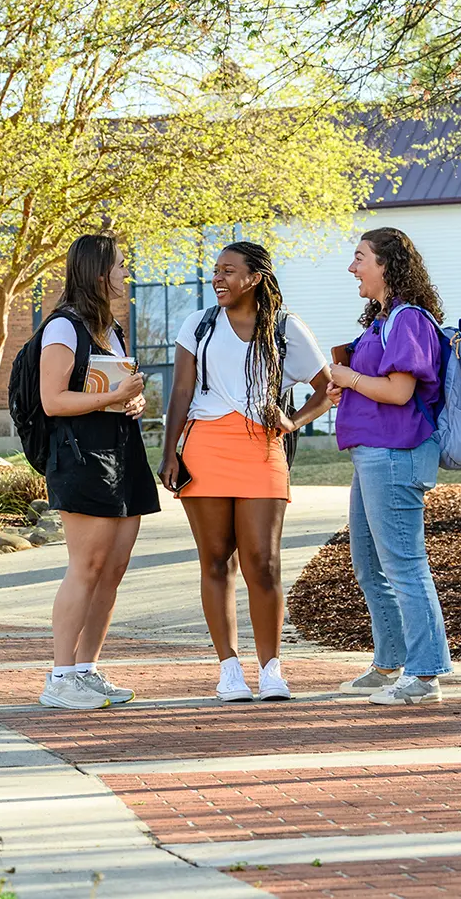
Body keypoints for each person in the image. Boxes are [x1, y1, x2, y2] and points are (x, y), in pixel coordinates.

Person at [159, 241, 332, 702]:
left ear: (254, 278)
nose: (218, 279)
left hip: (262, 447)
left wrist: (293, 421)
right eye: (215, 271)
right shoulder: (196, 325)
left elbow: (327, 389)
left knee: (264, 562)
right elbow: (180, 392)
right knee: (216, 561)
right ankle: (228, 670)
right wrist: (169, 451)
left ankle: (271, 669)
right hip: (205, 446)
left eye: (228, 271)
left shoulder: (285, 328)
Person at [327, 226, 452, 706]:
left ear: (386, 265)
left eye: (360, 258)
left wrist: (350, 377)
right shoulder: (382, 323)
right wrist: (347, 385)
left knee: (404, 565)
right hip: (373, 456)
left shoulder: (408, 319)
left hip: (396, 456)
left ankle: (423, 676)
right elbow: (378, 386)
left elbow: (399, 392)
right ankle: (389, 663)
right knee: (369, 564)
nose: (353, 267)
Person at [38, 234, 161, 710]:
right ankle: (59, 676)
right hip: (82, 456)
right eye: (120, 267)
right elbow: (54, 401)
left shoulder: (112, 329)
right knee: (85, 567)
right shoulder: (63, 328)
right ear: (97, 273)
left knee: (112, 569)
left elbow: (107, 390)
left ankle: (85, 671)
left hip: (122, 452)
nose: (125, 274)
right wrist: (113, 397)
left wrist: (131, 399)